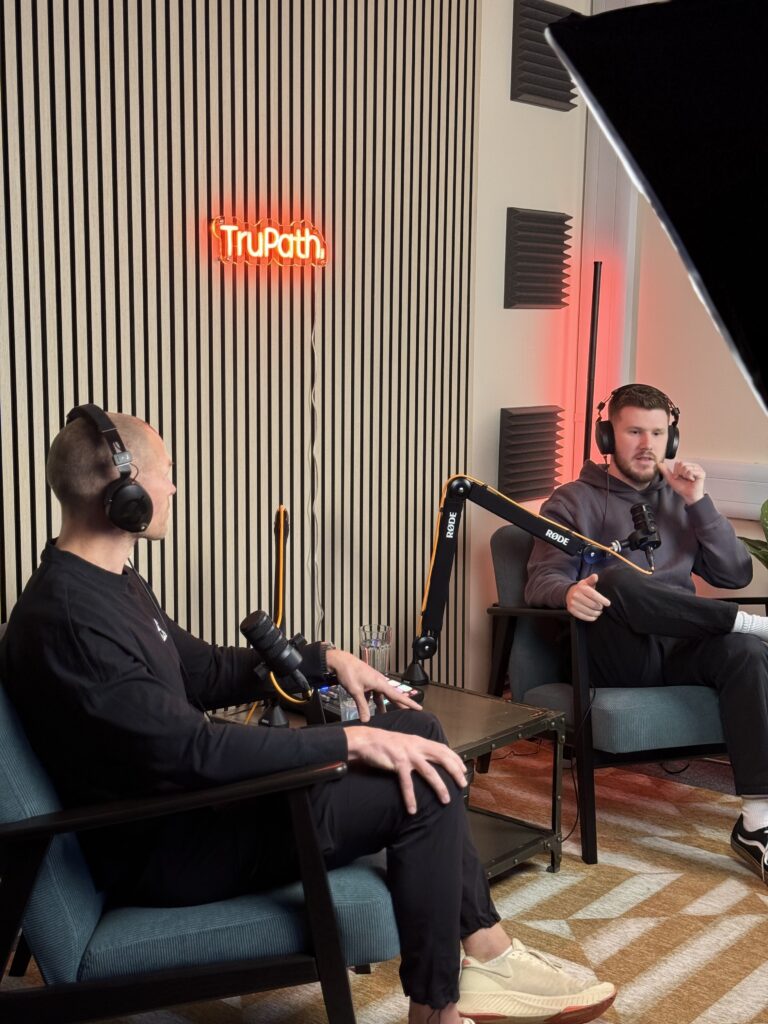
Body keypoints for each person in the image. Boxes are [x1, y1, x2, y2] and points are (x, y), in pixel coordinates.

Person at [0, 405, 616, 1024]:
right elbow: (190, 752)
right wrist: (352, 742)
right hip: (172, 847)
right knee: (425, 786)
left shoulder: (108, 583)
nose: (174, 488)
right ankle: (439, 1009)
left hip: (191, 813)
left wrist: (324, 658)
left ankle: (487, 953)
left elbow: (203, 671)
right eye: (166, 473)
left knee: (420, 730)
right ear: (124, 489)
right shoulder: (72, 620)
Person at [525, 383, 768, 884]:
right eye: (634, 431)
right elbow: (540, 579)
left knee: (745, 652)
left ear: (671, 439)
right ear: (606, 436)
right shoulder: (571, 501)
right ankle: (747, 623)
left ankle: (757, 823)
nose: (647, 445)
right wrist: (568, 593)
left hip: (678, 648)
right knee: (615, 578)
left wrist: (698, 503)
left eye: (657, 434)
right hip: (613, 652)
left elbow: (736, 574)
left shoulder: (681, 500)